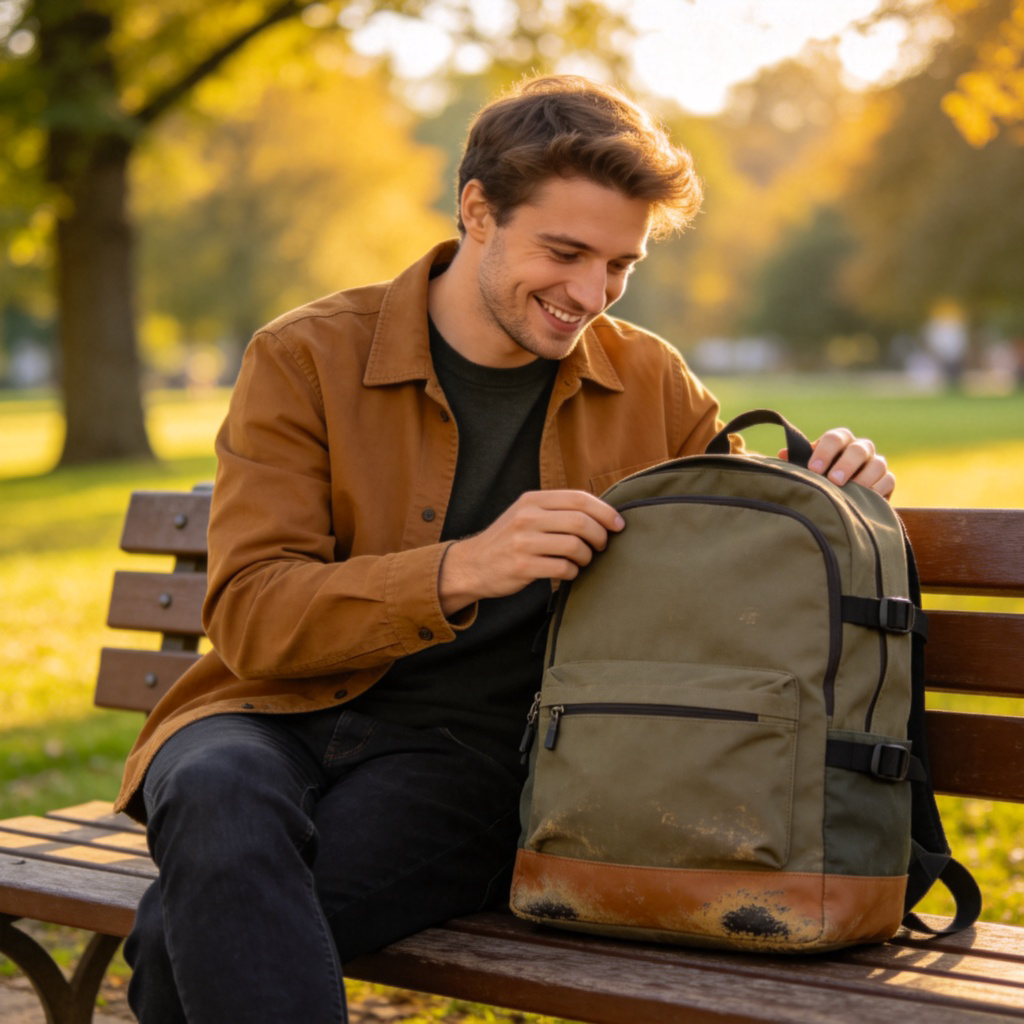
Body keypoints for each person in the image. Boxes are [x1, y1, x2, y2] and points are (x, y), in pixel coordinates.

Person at [119, 74, 894, 1024]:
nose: (589, 295)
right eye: (564, 252)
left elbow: (744, 531)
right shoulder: (306, 357)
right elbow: (251, 617)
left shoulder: (648, 380)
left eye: (620, 265)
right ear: (476, 210)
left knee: (177, 934)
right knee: (212, 787)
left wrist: (834, 479)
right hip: (265, 711)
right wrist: (462, 567)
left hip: (464, 759)